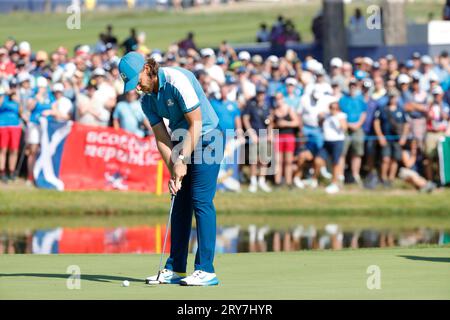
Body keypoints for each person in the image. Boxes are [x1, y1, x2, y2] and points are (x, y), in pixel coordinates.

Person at [118, 52, 223, 286]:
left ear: (147, 68)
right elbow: (162, 139)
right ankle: (175, 268)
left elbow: (195, 123)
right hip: (180, 141)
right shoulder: (147, 101)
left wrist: (181, 160)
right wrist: (173, 171)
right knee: (179, 201)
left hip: (208, 138)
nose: (137, 88)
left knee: (200, 200)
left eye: (138, 81)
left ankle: (206, 270)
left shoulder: (177, 80)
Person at [373, 93, 410, 188]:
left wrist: (404, 137)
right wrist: (380, 136)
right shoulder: (382, 109)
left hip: (397, 138)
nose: (393, 99)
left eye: (394, 97)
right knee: (385, 159)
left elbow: (406, 124)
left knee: (395, 159)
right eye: (391, 97)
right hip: (386, 138)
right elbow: (376, 122)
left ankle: (391, 178)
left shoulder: (401, 109)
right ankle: (383, 178)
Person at [242, 85, 273, 193]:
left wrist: (270, 133)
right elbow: (245, 119)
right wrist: (250, 132)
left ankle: (262, 180)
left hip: (264, 134)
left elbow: (270, 120)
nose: (261, 96)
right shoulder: (251, 104)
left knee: (264, 159)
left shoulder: (266, 105)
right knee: (253, 160)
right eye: (259, 93)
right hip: (254, 134)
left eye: (263, 94)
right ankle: (253, 181)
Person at [339, 79, 367, 184]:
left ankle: (355, 175)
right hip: (345, 128)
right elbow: (340, 113)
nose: (352, 88)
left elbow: (364, 114)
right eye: (351, 86)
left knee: (357, 152)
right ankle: (340, 175)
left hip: (357, 128)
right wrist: (347, 124)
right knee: (342, 152)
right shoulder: (343, 99)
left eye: (354, 86)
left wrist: (357, 124)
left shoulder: (361, 100)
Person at [317, 98, 348, 194]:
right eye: (331, 107)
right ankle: (324, 173)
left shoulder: (341, 116)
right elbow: (320, 123)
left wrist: (336, 118)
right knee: (318, 160)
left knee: (335, 163)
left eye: (335, 108)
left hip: (337, 141)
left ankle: (334, 183)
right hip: (326, 141)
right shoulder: (326, 115)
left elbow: (344, 128)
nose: (333, 109)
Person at [424, 86, 449, 181]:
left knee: (441, 158)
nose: (437, 96)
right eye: (435, 95)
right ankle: (430, 180)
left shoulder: (445, 105)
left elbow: (445, 117)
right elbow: (428, 118)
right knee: (429, 157)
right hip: (431, 133)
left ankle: (441, 179)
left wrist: (440, 106)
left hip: (441, 133)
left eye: (438, 94)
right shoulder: (429, 106)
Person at [0, 86, 22, 183]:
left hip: (15, 126)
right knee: (3, 149)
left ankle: (12, 171)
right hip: (3, 125)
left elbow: (20, 112)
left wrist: (19, 101)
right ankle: (2, 172)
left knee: (14, 150)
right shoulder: (3, 98)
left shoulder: (15, 101)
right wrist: (5, 95)